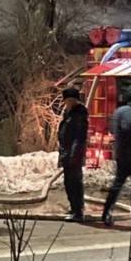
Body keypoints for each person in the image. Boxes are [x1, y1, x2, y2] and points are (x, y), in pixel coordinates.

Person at [102, 85, 131, 226]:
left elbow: (113, 129)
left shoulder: (118, 111)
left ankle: (106, 211)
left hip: (121, 153)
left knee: (118, 184)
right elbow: (129, 128)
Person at [58, 87, 89, 222]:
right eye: (67, 100)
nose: (68, 103)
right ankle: (74, 207)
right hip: (67, 152)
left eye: (70, 100)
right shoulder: (69, 113)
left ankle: (78, 211)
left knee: (74, 182)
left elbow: (79, 137)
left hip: (73, 153)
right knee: (68, 182)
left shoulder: (78, 115)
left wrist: (73, 155)